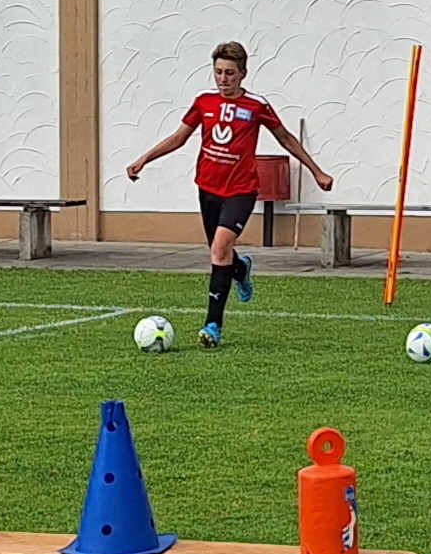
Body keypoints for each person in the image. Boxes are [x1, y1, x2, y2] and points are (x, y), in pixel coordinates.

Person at [125, 41, 333, 349]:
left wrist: (317, 171)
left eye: (230, 73)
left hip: (241, 190)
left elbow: (286, 138)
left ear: (243, 74)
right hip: (208, 188)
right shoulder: (204, 101)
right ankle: (241, 269)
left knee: (220, 248)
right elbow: (179, 137)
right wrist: (144, 158)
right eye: (219, 72)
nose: (223, 79)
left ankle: (212, 325)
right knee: (220, 254)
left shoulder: (256, 106)